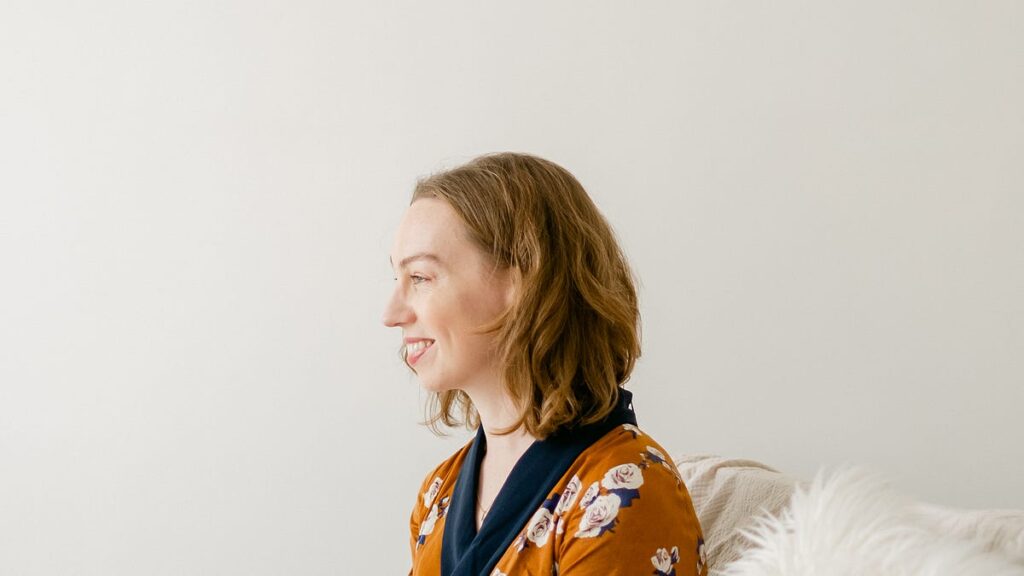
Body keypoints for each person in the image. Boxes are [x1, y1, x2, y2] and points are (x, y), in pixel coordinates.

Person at [383, 153, 707, 576]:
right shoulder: (438, 494)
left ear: (525, 279)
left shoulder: (624, 489)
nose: (391, 314)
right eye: (397, 279)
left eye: (421, 278)